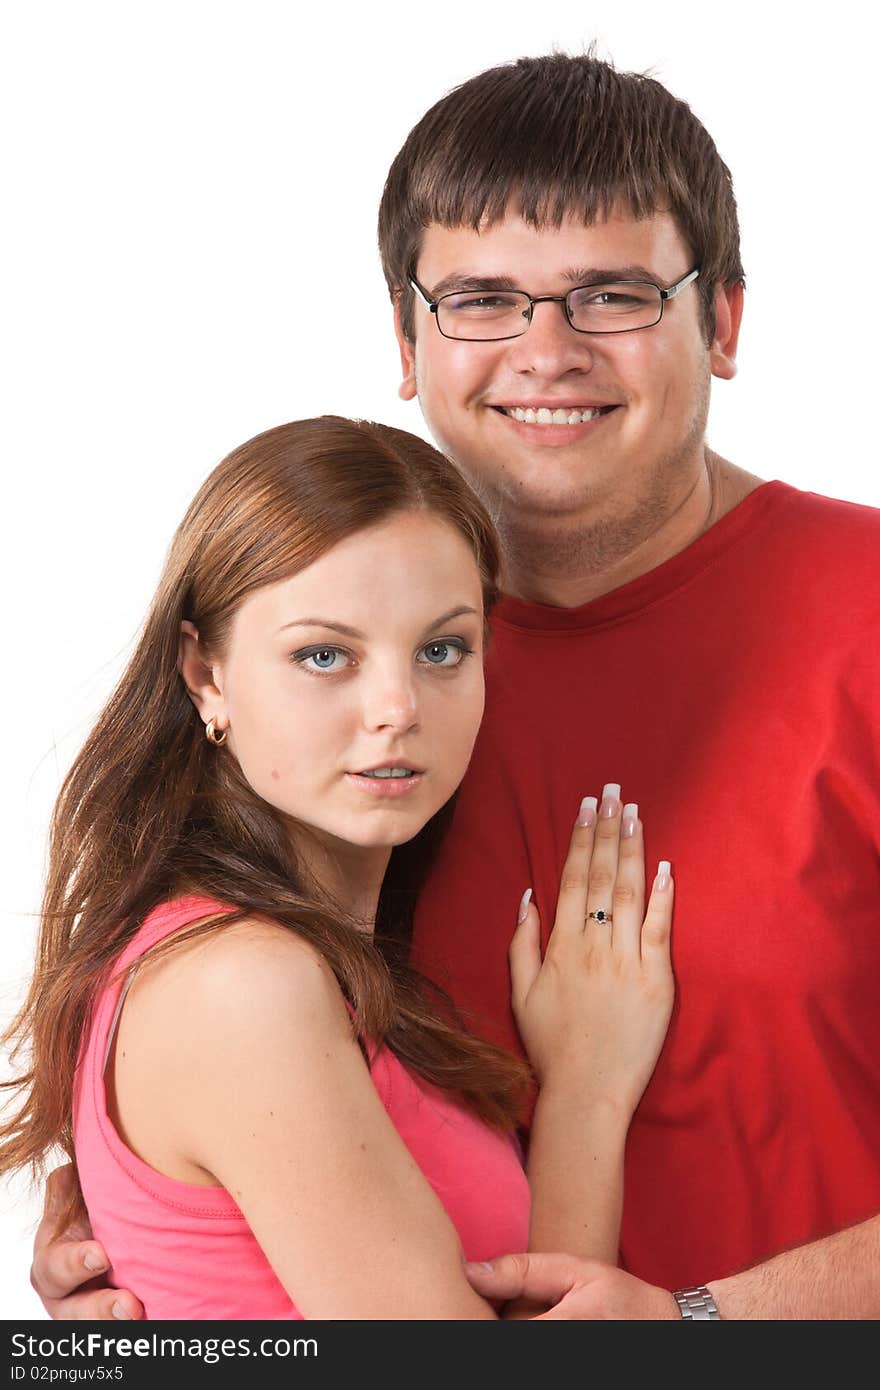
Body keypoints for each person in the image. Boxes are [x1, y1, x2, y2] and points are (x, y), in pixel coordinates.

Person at [33, 50, 880, 1319]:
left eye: (613, 293)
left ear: (725, 323)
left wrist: (708, 1326)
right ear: (405, 336)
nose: (546, 349)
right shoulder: (336, 700)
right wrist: (150, 1236)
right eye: (482, 296)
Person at [2, 416, 674, 1319]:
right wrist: (587, 1092)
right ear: (205, 675)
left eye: (442, 650)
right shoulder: (240, 984)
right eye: (325, 655)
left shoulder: (319, 961)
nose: (396, 708)